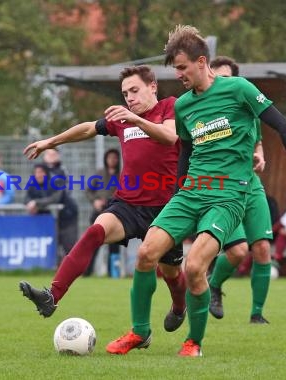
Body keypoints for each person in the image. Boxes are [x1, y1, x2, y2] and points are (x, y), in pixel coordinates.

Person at [105, 25, 286, 357]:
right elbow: (186, 153)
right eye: (174, 69)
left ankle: (194, 342)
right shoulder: (183, 106)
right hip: (190, 193)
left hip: (229, 194)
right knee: (147, 255)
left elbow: (283, 126)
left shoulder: (239, 89)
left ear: (201, 61)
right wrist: (177, 192)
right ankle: (139, 332)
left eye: (181, 68)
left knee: (193, 267)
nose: (177, 75)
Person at [19, 65, 188, 334]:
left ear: (152, 86)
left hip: (167, 208)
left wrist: (136, 121)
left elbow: (170, 137)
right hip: (128, 203)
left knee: (171, 273)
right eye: (125, 93)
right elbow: (87, 128)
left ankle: (180, 306)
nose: (129, 98)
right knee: (95, 231)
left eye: (134, 90)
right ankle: (52, 296)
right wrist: (50, 142)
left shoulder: (170, 106)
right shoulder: (123, 118)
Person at [204, 56, 274, 325]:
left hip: (250, 182)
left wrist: (260, 155)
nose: (222, 83)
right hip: (221, 187)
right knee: (237, 251)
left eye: (228, 78)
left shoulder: (247, 108)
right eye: (217, 77)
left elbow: (257, 143)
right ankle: (214, 285)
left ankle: (257, 314)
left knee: (263, 248)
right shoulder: (202, 111)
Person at [25, 163, 79, 266]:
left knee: (69, 245)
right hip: (53, 219)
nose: (38, 175)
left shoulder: (55, 182)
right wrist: (31, 204)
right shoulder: (33, 185)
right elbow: (26, 199)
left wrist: (36, 203)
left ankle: (75, 270)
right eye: (36, 172)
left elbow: (55, 199)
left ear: (46, 174)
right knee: (53, 244)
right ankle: (57, 268)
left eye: (41, 172)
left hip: (68, 216)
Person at [85, 148, 121, 276]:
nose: (112, 160)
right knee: (93, 243)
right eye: (110, 157)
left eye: (115, 158)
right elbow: (89, 190)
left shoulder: (122, 175)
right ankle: (87, 272)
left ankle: (114, 274)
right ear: (106, 159)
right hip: (99, 212)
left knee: (115, 245)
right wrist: (95, 201)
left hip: (115, 213)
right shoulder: (99, 173)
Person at [41, 148, 79, 262]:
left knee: (69, 245)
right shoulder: (38, 171)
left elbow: (59, 195)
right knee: (51, 245)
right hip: (46, 214)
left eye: (54, 154)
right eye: (49, 153)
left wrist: (38, 203)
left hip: (66, 214)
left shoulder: (62, 171)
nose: (51, 156)